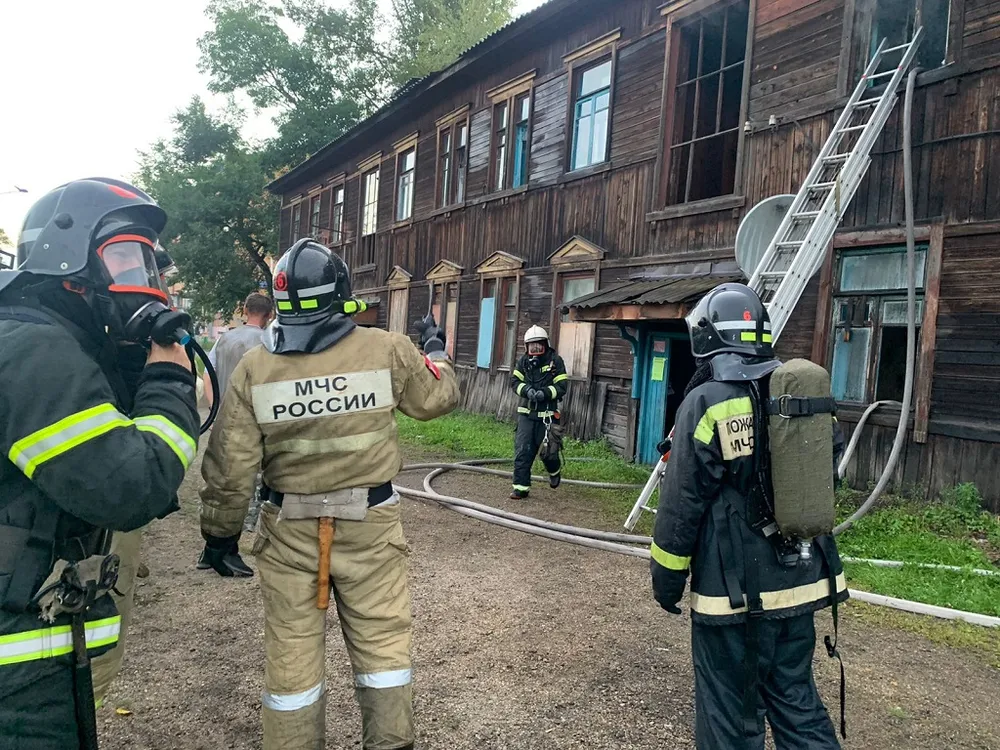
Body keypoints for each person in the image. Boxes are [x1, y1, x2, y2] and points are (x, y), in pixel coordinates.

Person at [199, 238, 459, 750]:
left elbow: (231, 464)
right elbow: (438, 400)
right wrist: (436, 353)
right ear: (340, 293)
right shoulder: (385, 348)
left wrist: (219, 535)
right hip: (371, 525)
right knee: (383, 646)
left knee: (292, 656)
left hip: (288, 529)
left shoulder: (256, 367)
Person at [0, 178, 199, 748]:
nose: (147, 288)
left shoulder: (34, 334)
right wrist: (166, 377)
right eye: (127, 261)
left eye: (150, 268)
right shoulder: (37, 352)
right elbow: (132, 487)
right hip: (18, 678)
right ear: (70, 262)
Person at [649, 282, 848, 750]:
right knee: (797, 703)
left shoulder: (707, 401)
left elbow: (681, 504)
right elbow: (825, 473)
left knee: (732, 721)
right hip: (801, 581)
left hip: (733, 596)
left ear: (707, 336)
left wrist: (667, 579)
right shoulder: (799, 396)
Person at [509, 325, 568, 499]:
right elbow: (514, 382)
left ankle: (554, 471)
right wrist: (526, 390)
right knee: (523, 451)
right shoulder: (523, 362)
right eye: (531, 346)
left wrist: (545, 393)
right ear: (526, 347)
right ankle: (521, 488)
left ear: (545, 344)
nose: (535, 350)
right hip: (526, 415)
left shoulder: (555, 362)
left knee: (549, 454)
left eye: (538, 346)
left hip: (547, 417)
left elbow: (562, 386)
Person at [203, 292, 275, 409]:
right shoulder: (271, 342)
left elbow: (207, 375)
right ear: (270, 315)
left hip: (224, 414)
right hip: (256, 415)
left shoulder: (224, 339)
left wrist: (214, 408)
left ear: (245, 310)